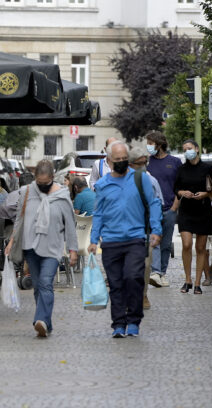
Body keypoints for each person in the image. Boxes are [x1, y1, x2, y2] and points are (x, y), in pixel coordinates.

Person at [88, 141, 161, 338]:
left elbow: (154, 203)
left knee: (133, 277)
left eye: (124, 159)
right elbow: (99, 214)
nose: (121, 162)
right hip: (111, 241)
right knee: (116, 283)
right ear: (109, 161)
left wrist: (156, 229)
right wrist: (94, 240)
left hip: (136, 238)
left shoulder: (140, 178)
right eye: (117, 160)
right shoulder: (103, 184)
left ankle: (134, 320)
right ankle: (119, 324)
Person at [4, 160, 77, 338]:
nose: (42, 186)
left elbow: (70, 224)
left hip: (53, 247)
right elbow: (19, 219)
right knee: (37, 286)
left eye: (46, 183)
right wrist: (12, 240)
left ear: (52, 178)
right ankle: (46, 323)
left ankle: (40, 320)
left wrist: (73, 250)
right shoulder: (27, 191)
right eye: (39, 182)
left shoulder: (62, 195)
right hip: (31, 246)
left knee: (45, 282)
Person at [174, 139, 212, 294]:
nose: (187, 151)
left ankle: (197, 283)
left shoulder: (207, 168)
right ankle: (187, 280)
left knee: (201, 248)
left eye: (189, 148)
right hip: (186, 211)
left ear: (196, 149)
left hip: (203, 211)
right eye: (184, 149)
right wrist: (182, 193)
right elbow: (175, 188)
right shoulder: (181, 169)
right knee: (186, 244)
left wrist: (206, 194)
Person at [127, 146, 164, 310]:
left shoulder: (151, 181)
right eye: (139, 163)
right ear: (130, 164)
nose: (143, 166)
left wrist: (157, 229)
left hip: (145, 230)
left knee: (145, 266)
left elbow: (158, 204)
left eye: (145, 163)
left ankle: (143, 294)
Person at [146, 130, 182, 288]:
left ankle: (162, 273)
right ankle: (155, 272)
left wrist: (175, 206)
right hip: (152, 209)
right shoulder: (147, 162)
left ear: (159, 145)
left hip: (169, 208)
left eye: (150, 143)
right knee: (154, 241)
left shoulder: (174, 162)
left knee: (166, 243)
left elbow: (180, 185)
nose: (148, 147)